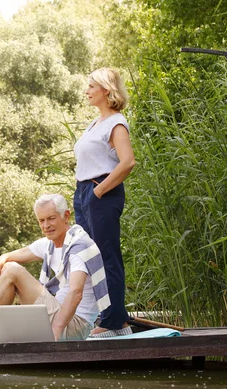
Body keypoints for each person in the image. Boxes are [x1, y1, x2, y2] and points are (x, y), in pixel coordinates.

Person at [0, 194, 111, 350]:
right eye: (41, 220)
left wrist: (54, 334)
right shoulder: (50, 244)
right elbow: (4, 258)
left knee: (13, 271)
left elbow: (76, 293)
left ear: (66, 216)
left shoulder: (79, 246)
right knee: (8, 267)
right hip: (58, 315)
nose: (46, 225)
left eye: (51, 218)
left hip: (73, 325)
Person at [73, 67, 136, 338]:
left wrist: (98, 193)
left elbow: (127, 162)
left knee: (106, 257)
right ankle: (113, 318)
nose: (86, 91)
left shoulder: (116, 122)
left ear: (106, 91)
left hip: (101, 193)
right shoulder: (95, 123)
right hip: (84, 191)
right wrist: (85, 194)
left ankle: (112, 321)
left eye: (91, 86)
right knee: (88, 258)